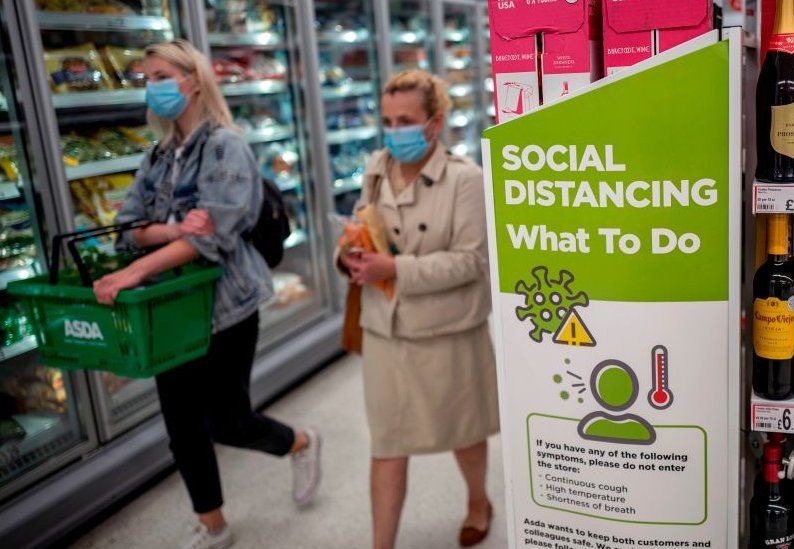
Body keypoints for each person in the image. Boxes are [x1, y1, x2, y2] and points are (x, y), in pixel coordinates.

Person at [92, 40, 321, 549]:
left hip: (226, 307)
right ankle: (213, 525)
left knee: (228, 421)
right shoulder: (157, 155)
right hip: (171, 307)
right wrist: (174, 233)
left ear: (193, 80)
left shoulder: (226, 147)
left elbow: (212, 237)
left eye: (160, 75)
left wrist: (139, 267)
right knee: (182, 425)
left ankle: (300, 442)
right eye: (145, 78)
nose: (151, 86)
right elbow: (126, 227)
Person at [338, 69, 499, 549]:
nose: (395, 131)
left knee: (464, 432)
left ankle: (478, 501)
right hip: (386, 327)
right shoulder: (374, 167)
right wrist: (348, 256)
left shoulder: (465, 179)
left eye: (406, 120)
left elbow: (472, 261)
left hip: (446, 329)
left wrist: (396, 268)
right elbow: (359, 228)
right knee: (387, 443)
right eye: (388, 120)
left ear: (435, 123)